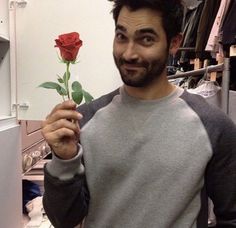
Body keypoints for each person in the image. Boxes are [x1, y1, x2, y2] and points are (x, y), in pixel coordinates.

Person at [42, 0, 236, 227]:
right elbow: (64, 220)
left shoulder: (213, 126)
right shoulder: (86, 120)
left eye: (146, 39)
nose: (129, 53)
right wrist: (65, 160)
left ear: (174, 43)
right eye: (122, 37)